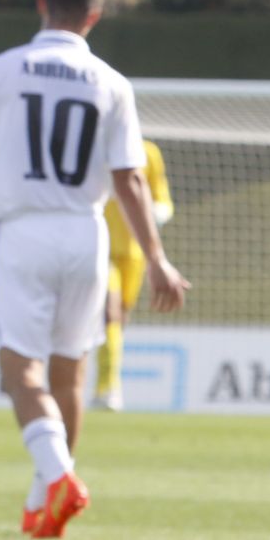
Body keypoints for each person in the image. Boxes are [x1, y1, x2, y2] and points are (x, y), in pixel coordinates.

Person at [0, 0, 189, 537]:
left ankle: (58, 477)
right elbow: (130, 181)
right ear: (95, 15)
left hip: (24, 231)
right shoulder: (112, 83)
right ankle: (43, 511)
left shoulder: (1, 70)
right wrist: (157, 260)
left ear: (42, 5)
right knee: (69, 374)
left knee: (20, 372)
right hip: (87, 235)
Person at [92, 137, 175, 411]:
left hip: (136, 253)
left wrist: (157, 211)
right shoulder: (95, 148)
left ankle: (106, 382)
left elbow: (162, 197)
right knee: (109, 313)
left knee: (120, 319)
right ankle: (107, 389)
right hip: (99, 248)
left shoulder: (149, 153)